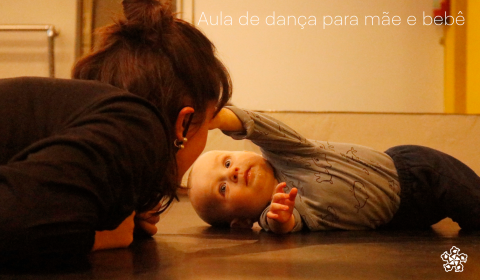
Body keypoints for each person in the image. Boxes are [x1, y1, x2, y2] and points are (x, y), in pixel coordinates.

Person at [0, 0, 230, 264]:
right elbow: (10, 222)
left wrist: (116, 210)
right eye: (209, 123)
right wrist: (100, 236)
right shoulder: (140, 126)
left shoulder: (102, 116)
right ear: (183, 124)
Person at [188, 106, 480, 234]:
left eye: (227, 163)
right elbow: (282, 226)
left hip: (415, 171)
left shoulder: (287, 152)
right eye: (223, 188)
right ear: (239, 223)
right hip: (401, 218)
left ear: (244, 150)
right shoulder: (279, 213)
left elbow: (261, 127)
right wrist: (280, 221)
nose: (232, 173)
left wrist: (218, 118)